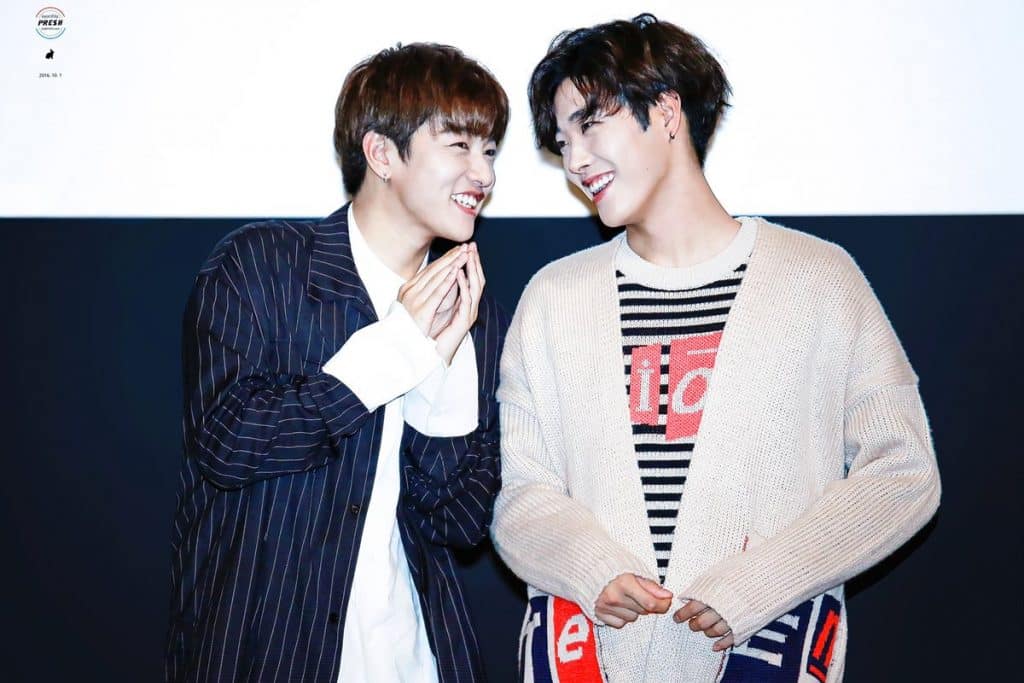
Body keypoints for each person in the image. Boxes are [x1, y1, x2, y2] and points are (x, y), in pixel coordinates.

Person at [491, 14, 940, 682]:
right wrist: (592, 568)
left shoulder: (817, 280)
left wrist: (762, 582)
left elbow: (904, 471)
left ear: (666, 111)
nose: (575, 160)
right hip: (589, 659)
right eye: (562, 141)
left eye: (590, 124)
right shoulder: (554, 299)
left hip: (768, 654)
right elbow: (523, 497)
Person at [166, 43, 509, 682]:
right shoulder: (262, 264)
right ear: (381, 153)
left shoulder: (470, 307)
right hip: (266, 656)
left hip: (415, 659)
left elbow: (458, 519)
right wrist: (399, 350)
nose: (483, 174)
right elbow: (226, 443)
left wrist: (441, 371)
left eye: (489, 151)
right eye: (460, 146)